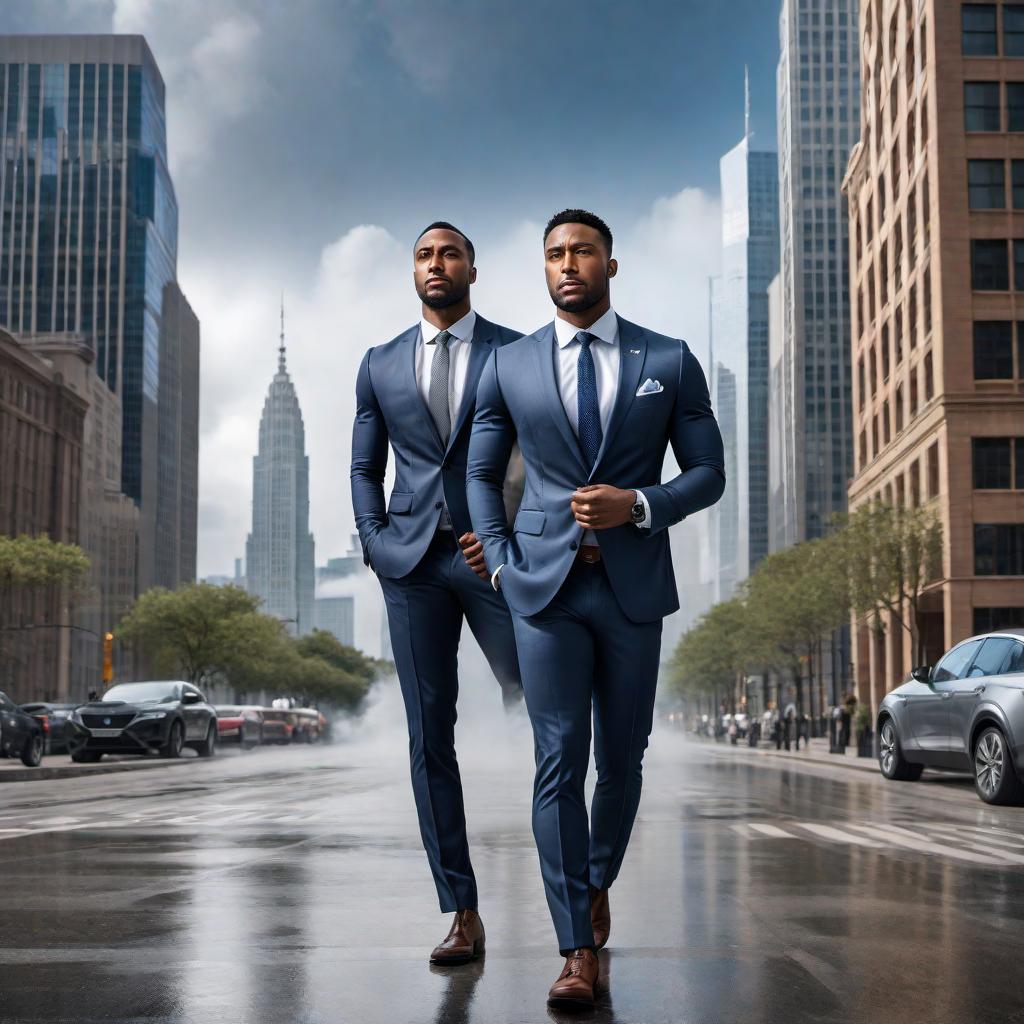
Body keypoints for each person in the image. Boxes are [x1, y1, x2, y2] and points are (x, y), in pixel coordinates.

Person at [466, 208, 725, 1008]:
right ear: (543, 270)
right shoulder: (508, 365)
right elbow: (480, 477)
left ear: (612, 264)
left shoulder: (669, 360)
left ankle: (596, 876)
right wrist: (503, 569)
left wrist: (640, 505)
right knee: (556, 760)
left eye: (582, 251)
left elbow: (708, 472)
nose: (568, 263)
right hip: (541, 590)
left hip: (630, 588)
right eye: (553, 254)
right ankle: (575, 948)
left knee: (624, 758)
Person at [350, 222, 524, 967]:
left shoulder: (518, 353)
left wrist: (521, 537)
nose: (436, 264)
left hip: (498, 562)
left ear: (472, 270)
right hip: (413, 567)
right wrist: (376, 543)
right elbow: (365, 465)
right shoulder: (379, 363)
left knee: (548, 716)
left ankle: (582, 889)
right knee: (430, 739)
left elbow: (546, 454)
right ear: (412, 271)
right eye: (423, 254)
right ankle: (461, 910)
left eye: (449, 253)